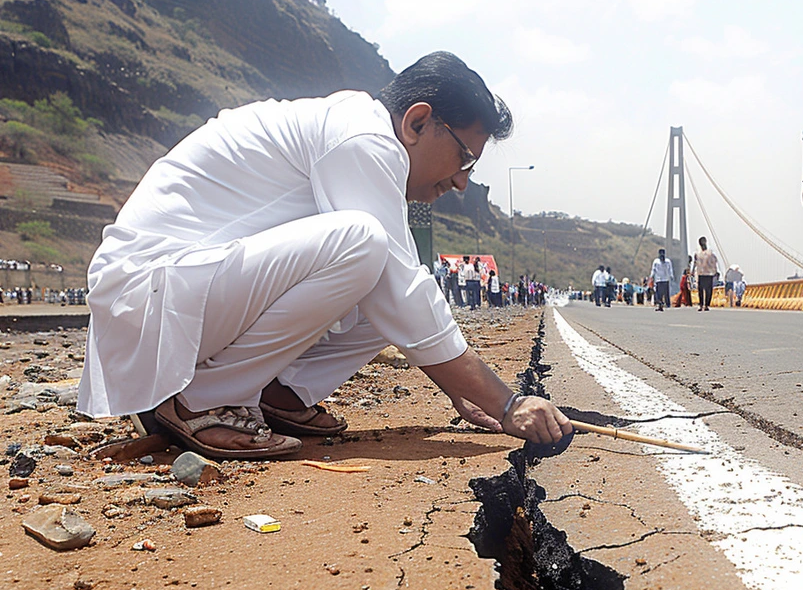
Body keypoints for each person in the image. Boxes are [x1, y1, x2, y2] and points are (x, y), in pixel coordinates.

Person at [76, 51, 572, 459]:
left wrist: (458, 388)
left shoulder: (358, 133)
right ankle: (203, 398)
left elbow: (404, 297)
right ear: (417, 122)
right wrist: (506, 404)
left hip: (181, 296)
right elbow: (400, 290)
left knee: (387, 276)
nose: (463, 181)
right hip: (150, 299)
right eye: (464, 158)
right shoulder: (365, 139)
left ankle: (278, 393)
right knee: (365, 245)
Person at [692, 236, 719, 312]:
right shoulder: (697, 253)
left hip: (709, 273)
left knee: (708, 290)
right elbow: (695, 263)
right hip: (701, 273)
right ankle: (701, 304)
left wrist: (715, 271)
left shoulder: (710, 252)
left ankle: (706, 305)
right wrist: (692, 271)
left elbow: (714, 262)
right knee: (700, 290)